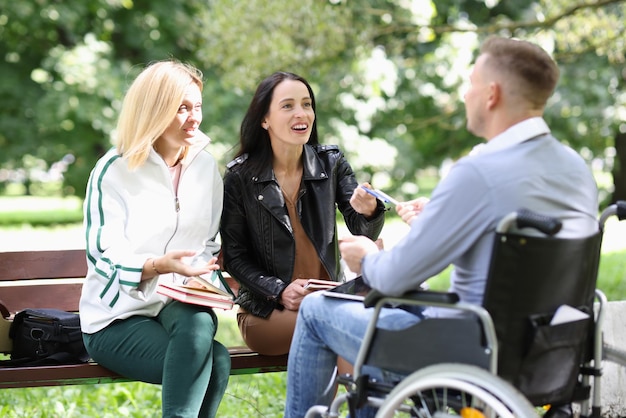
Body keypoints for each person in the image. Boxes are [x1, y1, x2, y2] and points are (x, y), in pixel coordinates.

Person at [284, 36, 599, 418]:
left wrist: (367, 257)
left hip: (467, 351)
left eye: (471, 84)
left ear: (492, 94)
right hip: (548, 350)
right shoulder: (576, 169)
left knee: (317, 309)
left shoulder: (479, 172)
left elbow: (394, 278)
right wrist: (441, 217)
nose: (465, 95)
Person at [79, 60, 230, 418]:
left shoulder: (206, 168)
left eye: (197, 106)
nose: (194, 117)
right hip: (116, 318)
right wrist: (156, 266)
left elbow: (209, 242)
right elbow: (102, 254)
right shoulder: (113, 169)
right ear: (154, 110)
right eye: (181, 108)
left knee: (199, 325)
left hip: (179, 305)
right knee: (217, 361)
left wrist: (203, 278)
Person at [219, 71, 386, 357]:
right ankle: (357, 404)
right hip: (268, 312)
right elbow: (234, 257)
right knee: (340, 324)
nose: (302, 113)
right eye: (288, 106)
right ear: (264, 119)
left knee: (343, 322)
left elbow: (363, 232)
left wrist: (369, 211)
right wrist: (279, 290)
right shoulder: (240, 178)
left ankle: (330, 404)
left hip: (329, 299)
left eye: (307, 104)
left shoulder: (330, 163)